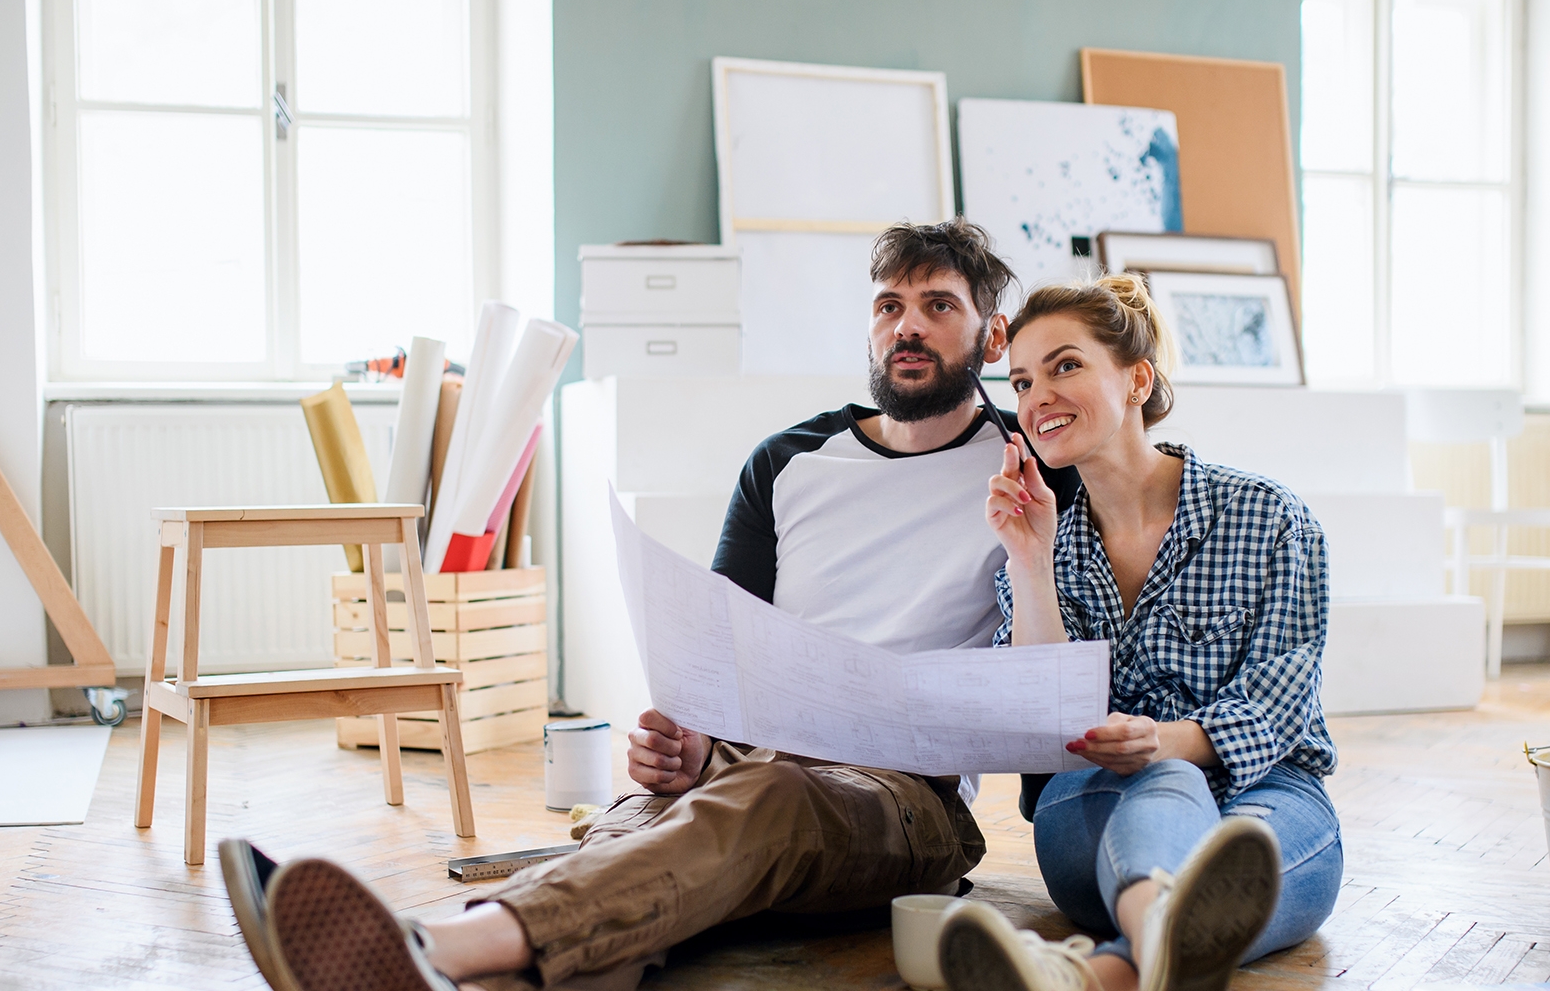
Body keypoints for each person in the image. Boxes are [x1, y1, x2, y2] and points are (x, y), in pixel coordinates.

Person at [218, 218, 1078, 991]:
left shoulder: (1028, 473)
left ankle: (431, 944)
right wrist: (690, 735)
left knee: (758, 807)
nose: (908, 327)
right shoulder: (788, 461)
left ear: (992, 334)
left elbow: (1042, 684)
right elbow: (716, 649)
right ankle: (469, 971)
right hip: (745, 760)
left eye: (937, 306)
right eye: (890, 306)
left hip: (903, 800)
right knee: (629, 832)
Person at [935, 276, 1342, 991]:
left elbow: (1280, 704)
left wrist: (1166, 742)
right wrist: (1029, 565)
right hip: (1092, 803)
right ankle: (1155, 948)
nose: (1037, 399)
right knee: (1166, 784)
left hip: (1267, 794)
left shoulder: (1269, 518)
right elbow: (1036, 715)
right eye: (1023, 381)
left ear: (1136, 380)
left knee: (1233, 841)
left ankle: (1109, 971)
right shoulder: (1040, 541)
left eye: (1066, 366)